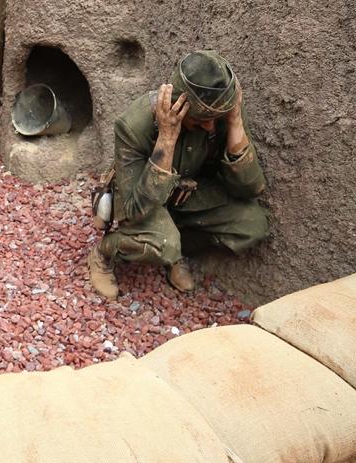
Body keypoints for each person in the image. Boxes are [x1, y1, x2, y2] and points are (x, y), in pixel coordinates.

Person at [88, 49, 270, 299]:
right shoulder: (133, 125)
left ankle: (174, 249)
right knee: (164, 245)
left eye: (214, 119)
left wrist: (235, 121)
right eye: (200, 120)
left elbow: (250, 188)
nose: (210, 126)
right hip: (143, 195)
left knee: (253, 225)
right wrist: (166, 138)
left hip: (186, 194)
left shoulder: (221, 112)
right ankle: (105, 251)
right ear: (180, 105)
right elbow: (135, 209)